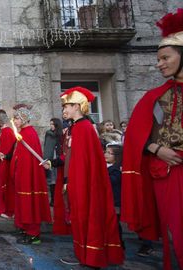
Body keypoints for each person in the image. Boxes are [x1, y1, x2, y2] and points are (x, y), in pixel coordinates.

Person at [121, 9, 183, 270]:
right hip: (167, 173)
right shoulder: (155, 96)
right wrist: (157, 148)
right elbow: (136, 136)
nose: (159, 64)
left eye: (165, 58)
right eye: (158, 59)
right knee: (175, 235)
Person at [59, 86, 124, 268]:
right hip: (78, 181)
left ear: (77, 106)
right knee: (79, 218)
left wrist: (77, 182)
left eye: (67, 106)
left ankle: (91, 257)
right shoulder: (77, 127)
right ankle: (83, 254)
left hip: (86, 183)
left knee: (88, 217)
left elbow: (87, 162)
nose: (64, 110)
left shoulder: (85, 128)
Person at [10, 104, 51, 245]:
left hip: (28, 175)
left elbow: (30, 159)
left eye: (16, 119)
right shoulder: (23, 133)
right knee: (22, 201)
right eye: (14, 119)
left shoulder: (30, 133)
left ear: (24, 119)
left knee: (30, 202)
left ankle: (33, 234)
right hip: (21, 173)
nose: (14, 122)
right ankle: (25, 228)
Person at [0, 109, 16, 219]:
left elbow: (9, 150)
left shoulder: (7, 132)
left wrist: (3, 155)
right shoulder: (3, 132)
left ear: (0, 121)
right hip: (2, 163)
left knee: (6, 186)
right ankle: (4, 207)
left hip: (6, 164)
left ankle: (9, 209)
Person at [104, 143, 124, 250]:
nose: (106, 154)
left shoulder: (116, 170)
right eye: (106, 152)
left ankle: (119, 243)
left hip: (115, 202)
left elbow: (111, 181)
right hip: (108, 201)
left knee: (115, 224)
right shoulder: (106, 166)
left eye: (109, 153)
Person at [42, 117, 63, 206]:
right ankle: (53, 200)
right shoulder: (49, 134)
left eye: (52, 124)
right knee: (51, 180)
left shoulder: (61, 134)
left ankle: (57, 199)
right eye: (50, 124)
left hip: (58, 158)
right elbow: (47, 148)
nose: (50, 126)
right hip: (51, 158)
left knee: (57, 180)